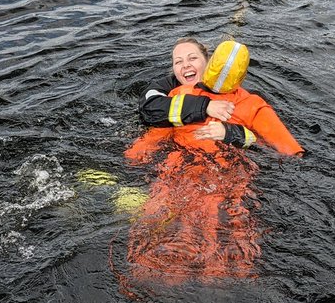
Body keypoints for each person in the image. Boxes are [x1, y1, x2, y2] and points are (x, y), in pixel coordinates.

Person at [124, 40, 302, 283]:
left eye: (192, 58)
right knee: (172, 219)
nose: (185, 65)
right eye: (178, 61)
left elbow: (286, 150)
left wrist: (231, 133)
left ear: (209, 62)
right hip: (190, 170)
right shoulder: (176, 95)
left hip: (219, 170)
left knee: (214, 223)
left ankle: (201, 274)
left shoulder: (246, 104)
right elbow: (152, 116)